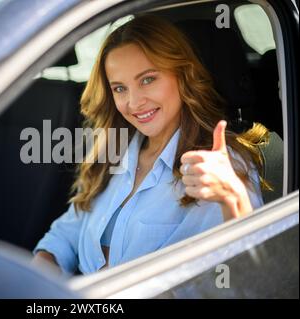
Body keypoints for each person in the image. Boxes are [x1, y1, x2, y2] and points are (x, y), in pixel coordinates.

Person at [32, 14, 270, 275]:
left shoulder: (219, 165)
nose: (134, 103)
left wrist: (233, 198)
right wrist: (41, 272)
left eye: (147, 80)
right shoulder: (112, 152)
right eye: (120, 88)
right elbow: (65, 234)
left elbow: (240, 277)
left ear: (183, 75)